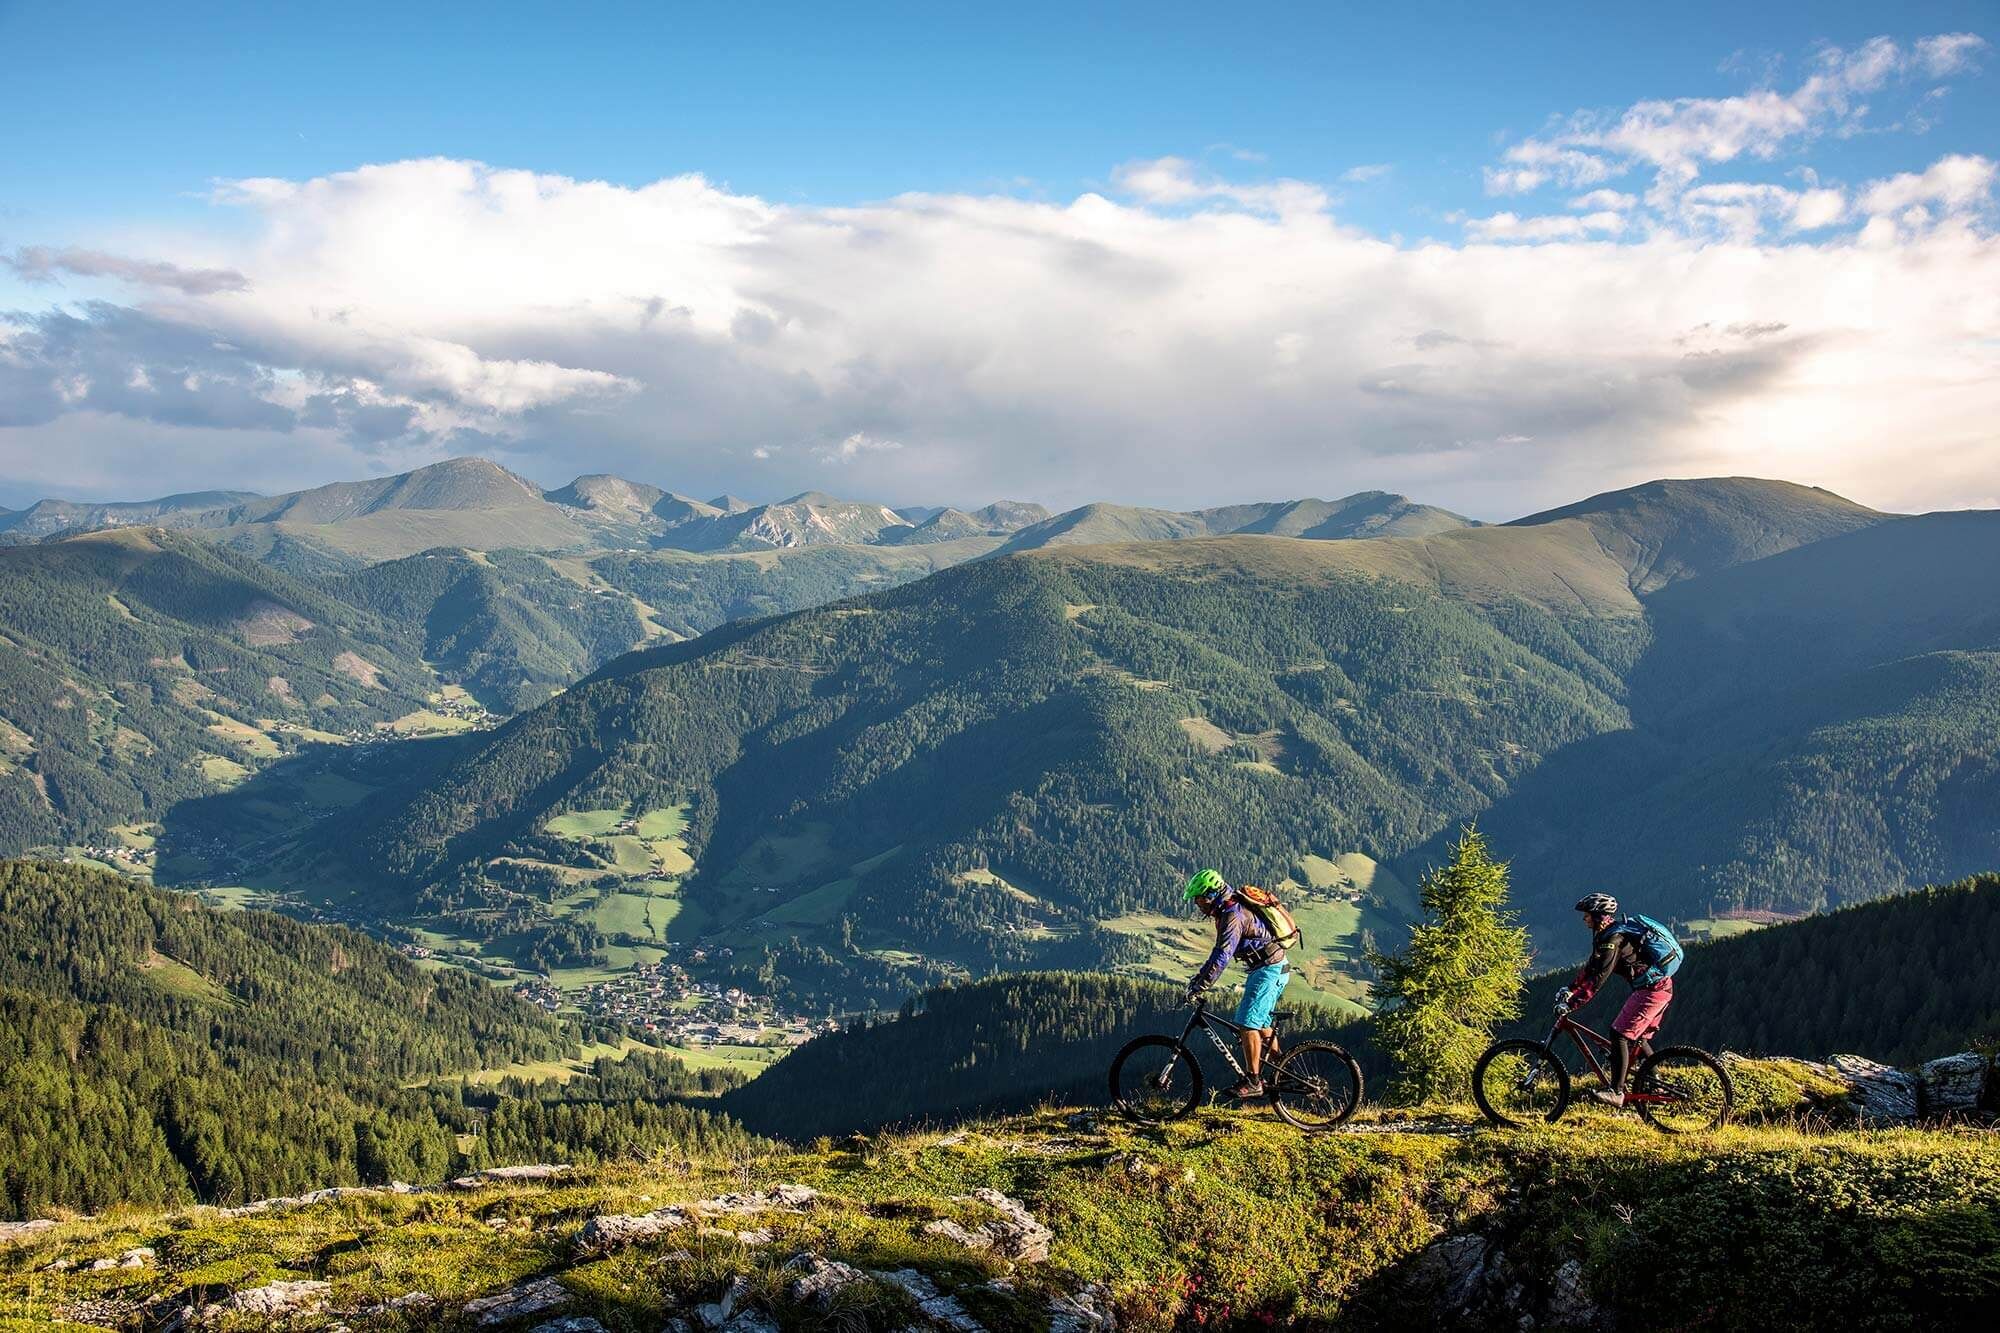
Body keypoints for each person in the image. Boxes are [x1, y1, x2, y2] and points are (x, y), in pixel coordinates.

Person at [1558, 892, 1679, 1107]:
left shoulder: (1613, 939)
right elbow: (1591, 967)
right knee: (1637, 1038)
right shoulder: (1607, 934)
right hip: (1656, 988)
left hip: (1653, 990)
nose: (1584, 919)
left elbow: (1598, 978)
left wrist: (1572, 1003)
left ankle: (1616, 1091)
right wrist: (1570, 988)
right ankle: (1656, 1088)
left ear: (1599, 916)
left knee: (1619, 1035)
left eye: (1587, 915)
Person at [1183, 868, 1290, 1098]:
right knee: (1259, 1021)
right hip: (1269, 967)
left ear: (1211, 894)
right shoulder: (1228, 909)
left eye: (1199, 898)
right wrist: (1200, 978)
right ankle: (1285, 1066)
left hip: (1269, 970)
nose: (1197, 904)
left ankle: (1253, 1081)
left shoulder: (1232, 915)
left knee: (1247, 1022)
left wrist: (1200, 985)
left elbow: (1222, 955)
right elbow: (1217, 955)